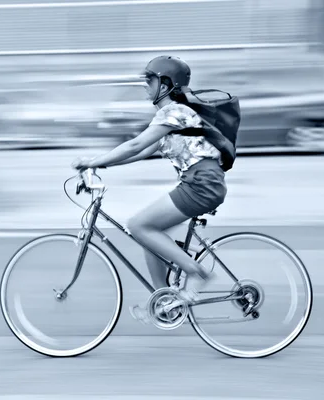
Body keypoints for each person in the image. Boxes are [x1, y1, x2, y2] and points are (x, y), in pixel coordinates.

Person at [71, 55, 228, 324]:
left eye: (150, 80)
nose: (145, 86)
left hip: (202, 184)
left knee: (139, 224)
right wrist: (102, 166)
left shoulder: (174, 112)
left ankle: (196, 272)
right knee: (148, 234)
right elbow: (142, 151)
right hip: (198, 183)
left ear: (166, 84)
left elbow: (134, 145)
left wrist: (92, 161)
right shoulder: (171, 117)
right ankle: (164, 299)